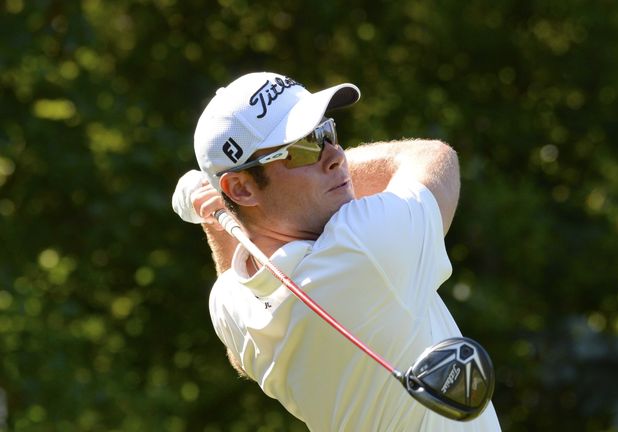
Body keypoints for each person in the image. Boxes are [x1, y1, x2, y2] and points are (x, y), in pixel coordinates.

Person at [172, 71, 501, 431]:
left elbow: (239, 353)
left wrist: (217, 214)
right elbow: (432, 156)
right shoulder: (362, 246)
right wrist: (221, 203)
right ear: (243, 189)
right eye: (302, 148)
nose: (336, 155)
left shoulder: (228, 304)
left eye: (326, 132)